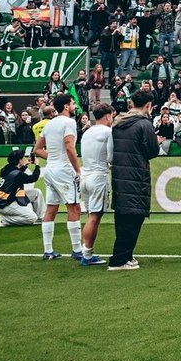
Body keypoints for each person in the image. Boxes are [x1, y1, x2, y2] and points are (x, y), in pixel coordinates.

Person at [108, 89, 158, 270]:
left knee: (122, 217)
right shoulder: (144, 124)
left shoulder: (118, 122)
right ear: (148, 105)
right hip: (136, 175)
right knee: (134, 218)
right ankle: (120, 259)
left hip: (119, 175)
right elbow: (152, 151)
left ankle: (125, 256)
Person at [35, 96, 82, 261]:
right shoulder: (69, 122)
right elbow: (69, 147)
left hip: (50, 169)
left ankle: (48, 250)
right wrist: (78, 170)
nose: (75, 106)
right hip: (64, 170)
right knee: (74, 207)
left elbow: (37, 149)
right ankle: (77, 250)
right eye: (73, 103)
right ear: (67, 106)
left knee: (51, 208)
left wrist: (54, 158)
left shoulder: (49, 124)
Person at [77, 103, 113, 265]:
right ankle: (87, 254)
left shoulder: (87, 132)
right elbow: (111, 158)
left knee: (90, 216)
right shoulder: (108, 132)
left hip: (85, 176)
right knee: (94, 217)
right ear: (108, 116)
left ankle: (85, 251)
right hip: (98, 177)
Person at [0, 148, 40, 227]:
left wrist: (25, 165)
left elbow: (16, 174)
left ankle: (41, 219)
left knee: (36, 193)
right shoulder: (18, 175)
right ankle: (5, 220)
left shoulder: (5, 168)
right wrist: (37, 165)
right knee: (32, 218)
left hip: (5, 201)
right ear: (19, 160)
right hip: (6, 205)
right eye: (22, 158)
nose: (24, 159)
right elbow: (33, 178)